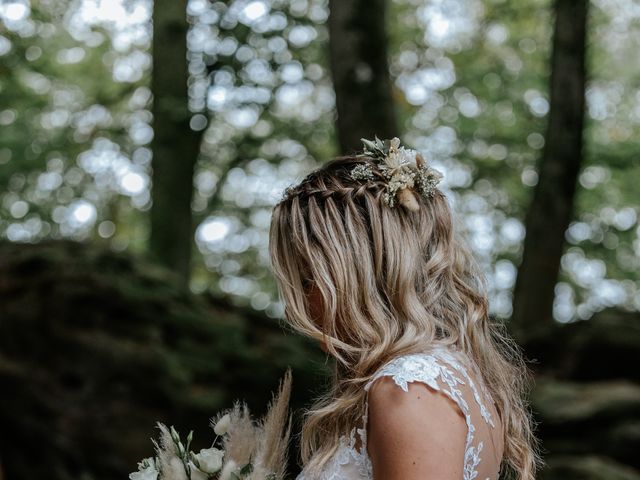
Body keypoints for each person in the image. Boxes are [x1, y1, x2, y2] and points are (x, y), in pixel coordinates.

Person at [268, 137, 540, 480]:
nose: (303, 306)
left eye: (308, 280)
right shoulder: (446, 375)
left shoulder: (407, 389)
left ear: (356, 277)